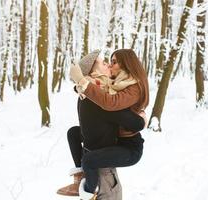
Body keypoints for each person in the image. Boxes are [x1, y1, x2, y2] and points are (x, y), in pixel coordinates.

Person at [57, 50, 146, 200]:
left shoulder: (128, 87)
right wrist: (81, 85)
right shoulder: (103, 91)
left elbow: (128, 117)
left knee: (89, 160)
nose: (109, 65)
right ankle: (82, 179)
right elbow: (99, 99)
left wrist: (141, 119)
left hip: (125, 149)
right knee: (74, 134)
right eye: (105, 62)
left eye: (113, 62)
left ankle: (88, 190)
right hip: (108, 150)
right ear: (94, 73)